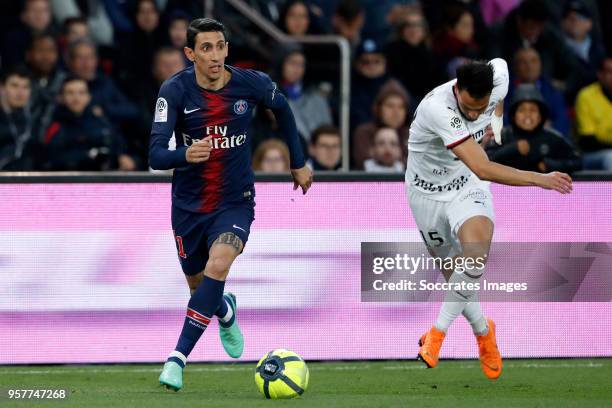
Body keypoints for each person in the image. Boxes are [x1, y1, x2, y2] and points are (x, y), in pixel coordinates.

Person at [150, 18, 312, 391]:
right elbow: (156, 155)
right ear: (190, 53)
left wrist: (298, 161)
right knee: (200, 289)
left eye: (220, 46)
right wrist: (184, 153)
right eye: (205, 48)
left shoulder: (249, 83)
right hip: (189, 207)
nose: (215, 55)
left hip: (235, 202)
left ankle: (177, 359)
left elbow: (283, 109)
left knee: (218, 265)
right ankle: (225, 309)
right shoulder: (173, 92)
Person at [406, 58, 572, 380]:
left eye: (478, 109)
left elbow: (501, 71)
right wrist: (541, 179)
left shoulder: (499, 79)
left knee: (476, 253)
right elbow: (484, 166)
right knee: (455, 273)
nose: (471, 114)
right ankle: (484, 332)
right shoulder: (437, 109)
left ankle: (436, 335)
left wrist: (495, 119)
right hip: (426, 194)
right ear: (457, 90)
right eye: (467, 108)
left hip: (467, 185)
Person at [487, 84, 581, 173]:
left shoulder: (552, 138)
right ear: (513, 116)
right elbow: (485, 162)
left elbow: (577, 162)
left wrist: (550, 165)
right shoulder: (502, 136)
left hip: (543, 190)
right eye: (522, 110)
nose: (527, 115)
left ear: (540, 116)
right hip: (504, 189)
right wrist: (513, 148)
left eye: (533, 110)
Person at [43, 76, 130, 171]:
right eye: (70, 93)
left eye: (81, 92)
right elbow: (51, 160)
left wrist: (123, 158)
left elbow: (118, 146)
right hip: (69, 180)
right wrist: (87, 156)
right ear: (61, 98)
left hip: (103, 180)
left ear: (88, 96)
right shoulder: (55, 126)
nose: (76, 98)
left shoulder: (101, 122)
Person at [276, 46, 333, 145]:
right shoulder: (269, 94)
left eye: (301, 65)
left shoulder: (316, 97)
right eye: (292, 63)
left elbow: (328, 130)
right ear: (281, 64)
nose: (297, 69)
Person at [509, 47, 570, 137]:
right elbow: (503, 120)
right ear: (515, 67)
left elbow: (562, 122)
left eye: (533, 61)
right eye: (523, 62)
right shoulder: (504, 92)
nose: (529, 66)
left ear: (540, 64)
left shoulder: (553, 90)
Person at [352, 79, 410, 169]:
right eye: (390, 106)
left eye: (401, 107)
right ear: (378, 108)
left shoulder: (411, 135)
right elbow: (363, 164)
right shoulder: (364, 132)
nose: (396, 112)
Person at [575, 56, 612, 170]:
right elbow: (588, 142)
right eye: (610, 72)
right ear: (600, 75)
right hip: (591, 155)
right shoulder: (586, 96)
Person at [0, 67, 36, 170]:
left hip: (26, 180)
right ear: (2, 88)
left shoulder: (35, 118)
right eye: (14, 86)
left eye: (25, 87)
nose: (20, 93)